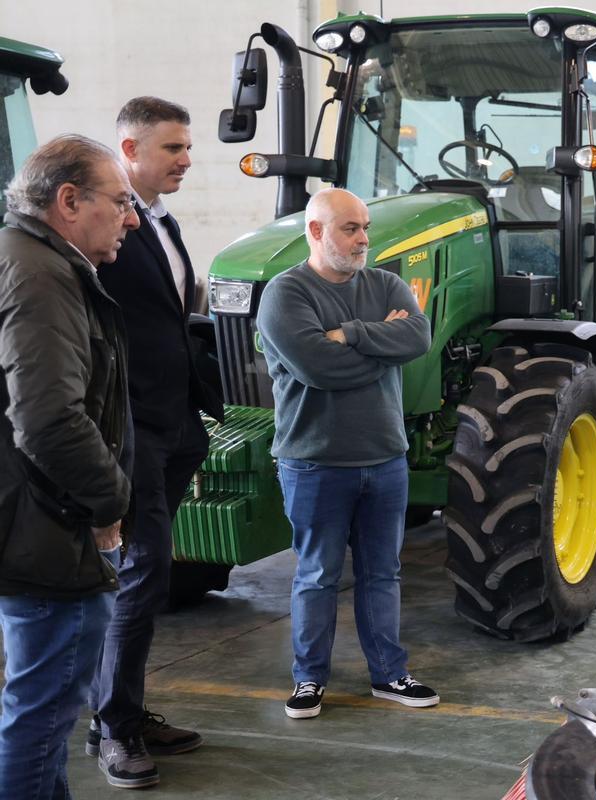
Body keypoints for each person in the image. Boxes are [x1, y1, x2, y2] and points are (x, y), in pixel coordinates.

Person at [256, 188, 438, 719]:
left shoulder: (384, 282)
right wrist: (384, 348)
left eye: (364, 228)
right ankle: (309, 679)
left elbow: (419, 338)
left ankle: (389, 674)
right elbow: (320, 369)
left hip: (385, 457)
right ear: (315, 232)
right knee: (317, 575)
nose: (362, 240)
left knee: (384, 573)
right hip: (314, 461)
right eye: (349, 229)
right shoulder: (286, 294)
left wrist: (353, 334)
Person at [90, 97, 224, 790]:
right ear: (130, 149)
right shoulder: (103, 227)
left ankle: (125, 708)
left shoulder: (161, 221)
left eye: (186, 146)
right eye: (173, 148)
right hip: (133, 423)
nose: (187, 159)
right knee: (141, 576)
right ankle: (114, 727)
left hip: (175, 422)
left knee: (151, 574)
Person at [0, 134, 139, 800]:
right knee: (42, 715)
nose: (131, 218)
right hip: (50, 532)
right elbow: (51, 419)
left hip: (26, 521)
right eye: (120, 202)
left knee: (38, 712)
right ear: (68, 200)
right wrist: (110, 503)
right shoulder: (43, 272)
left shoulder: (19, 256)